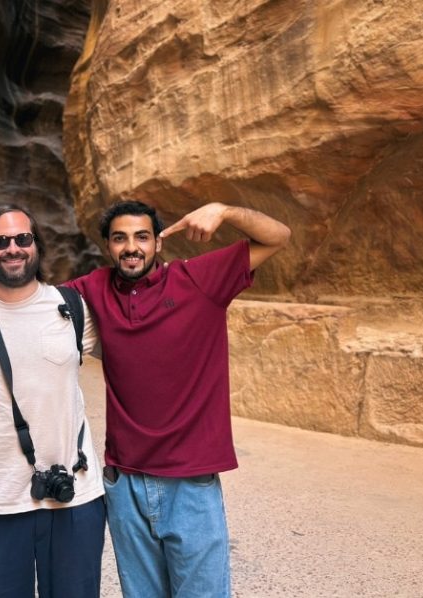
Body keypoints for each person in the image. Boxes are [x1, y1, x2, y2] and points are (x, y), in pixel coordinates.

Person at [62, 200, 291, 597]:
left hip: (192, 483)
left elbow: (279, 237)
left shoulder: (200, 279)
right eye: (120, 238)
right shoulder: (94, 288)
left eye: (141, 237)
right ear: (107, 246)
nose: (131, 247)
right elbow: (28, 302)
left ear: (158, 244)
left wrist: (225, 211)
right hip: (125, 482)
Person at [0, 205, 106, 598]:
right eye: (0, 241)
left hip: (75, 497)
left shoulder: (73, 309)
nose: (12, 248)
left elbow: (139, 347)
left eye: (22, 239)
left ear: (37, 246)